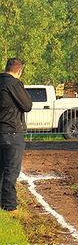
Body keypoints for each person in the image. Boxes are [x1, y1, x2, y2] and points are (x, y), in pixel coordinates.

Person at [0, 58, 33, 214]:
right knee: (11, 172)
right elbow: (27, 106)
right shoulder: (14, 84)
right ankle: (9, 207)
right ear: (19, 71)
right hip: (12, 133)